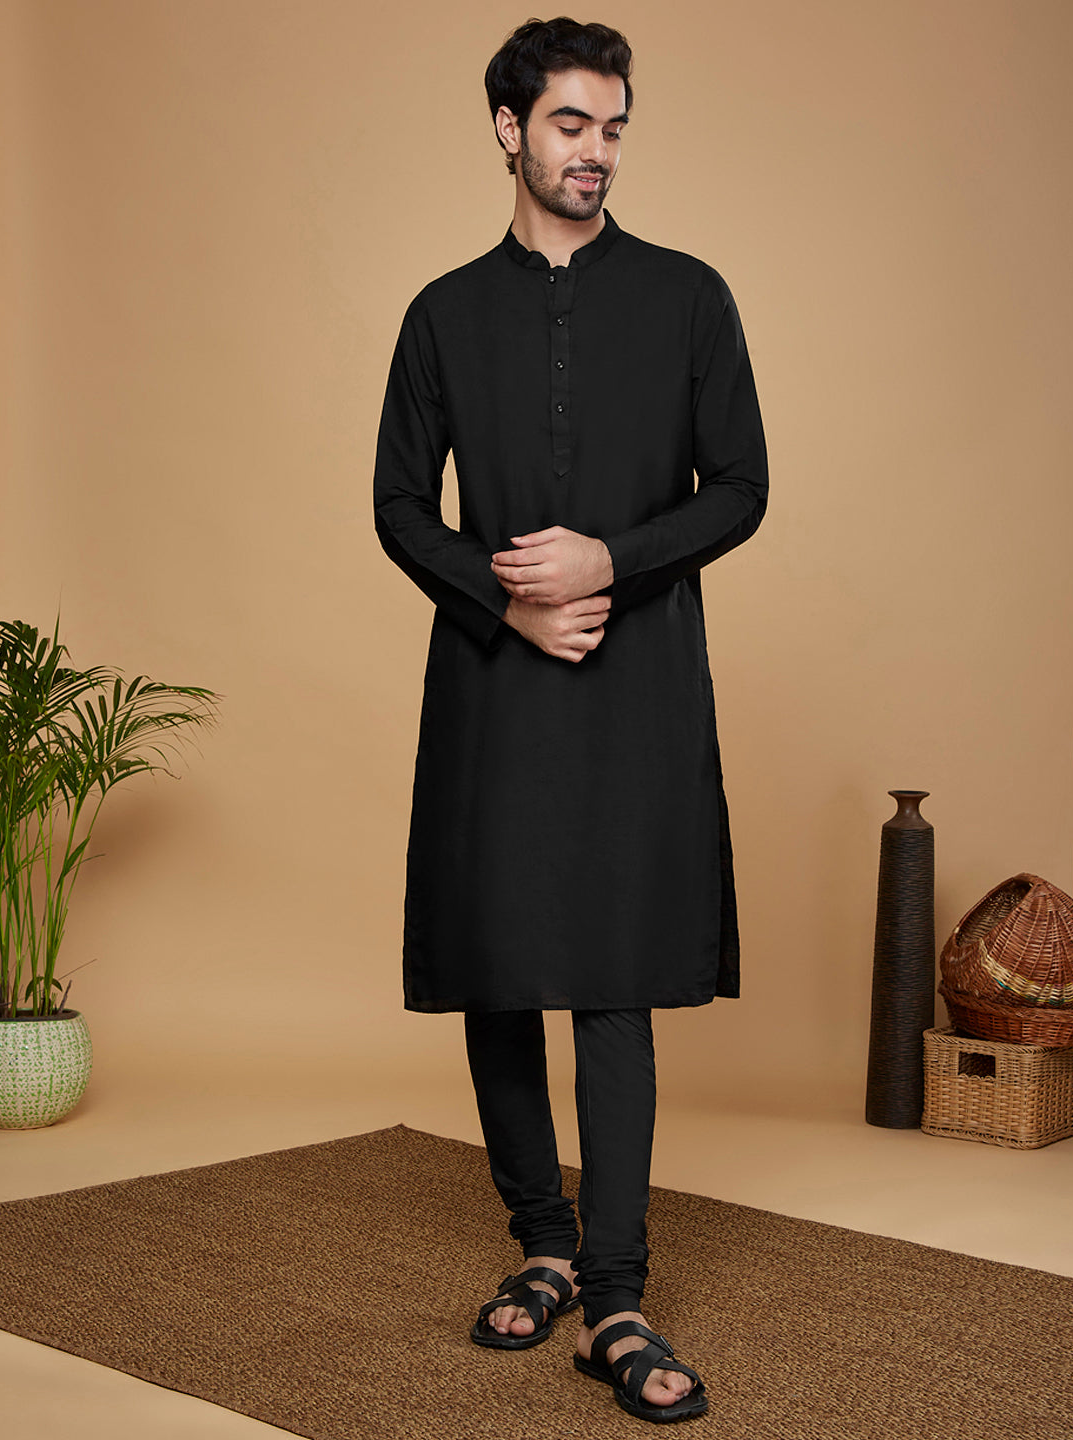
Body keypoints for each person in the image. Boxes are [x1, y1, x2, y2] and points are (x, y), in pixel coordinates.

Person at [372, 15, 768, 1424]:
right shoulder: (442, 314)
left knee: (613, 968)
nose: (595, 151)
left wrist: (609, 561)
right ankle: (540, 1242)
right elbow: (399, 506)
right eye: (569, 124)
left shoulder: (688, 297)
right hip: (494, 680)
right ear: (508, 128)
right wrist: (507, 601)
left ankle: (615, 1297)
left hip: (637, 679)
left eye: (612, 127)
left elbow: (741, 486)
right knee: (496, 960)